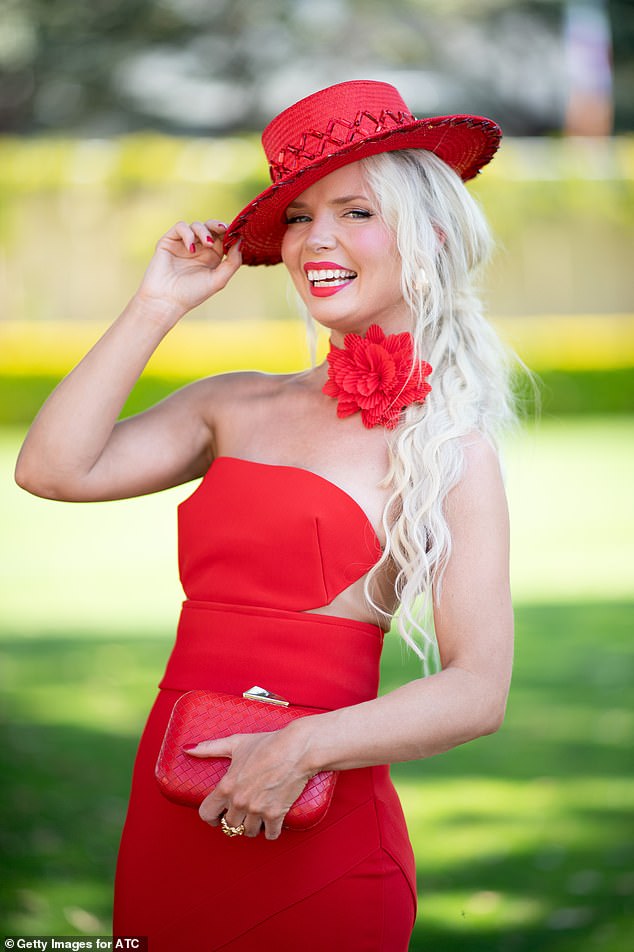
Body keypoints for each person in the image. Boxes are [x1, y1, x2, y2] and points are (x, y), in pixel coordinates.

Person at [15, 80, 515, 951]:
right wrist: (158, 305)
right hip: (172, 806)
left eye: (355, 211)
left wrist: (301, 750)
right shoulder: (231, 405)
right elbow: (52, 469)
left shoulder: (449, 449)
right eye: (297, 217)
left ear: (429, 232)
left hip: (318, 831)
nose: (316, 239)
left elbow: (477, 691)